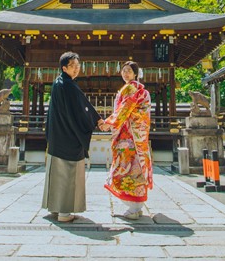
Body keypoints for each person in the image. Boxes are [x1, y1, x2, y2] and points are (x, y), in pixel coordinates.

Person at [42, 51, 102, 222]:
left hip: (57, 136)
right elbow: (81, 110)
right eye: (73, 66)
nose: (76, 69)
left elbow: (81, 106)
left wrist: (95, 118)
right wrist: (96, 121)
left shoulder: (59, 83)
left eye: (78, 66)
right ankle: (64, 212)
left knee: (56, 173)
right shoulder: (68, 85)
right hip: (69, 137)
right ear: (64, 67)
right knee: (68, 174)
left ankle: (55, 207)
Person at [100, 60, 153, 220]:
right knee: (136, 166)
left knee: (126, 167)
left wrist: (108, 123)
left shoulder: (132, 88)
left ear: (136, 73)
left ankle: (133, 207)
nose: (126, 73)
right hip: (138, 137)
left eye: (129, 70)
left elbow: (124, 109)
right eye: (123, 70)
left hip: (129, 137)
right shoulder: (138, 89)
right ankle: (136, 206)